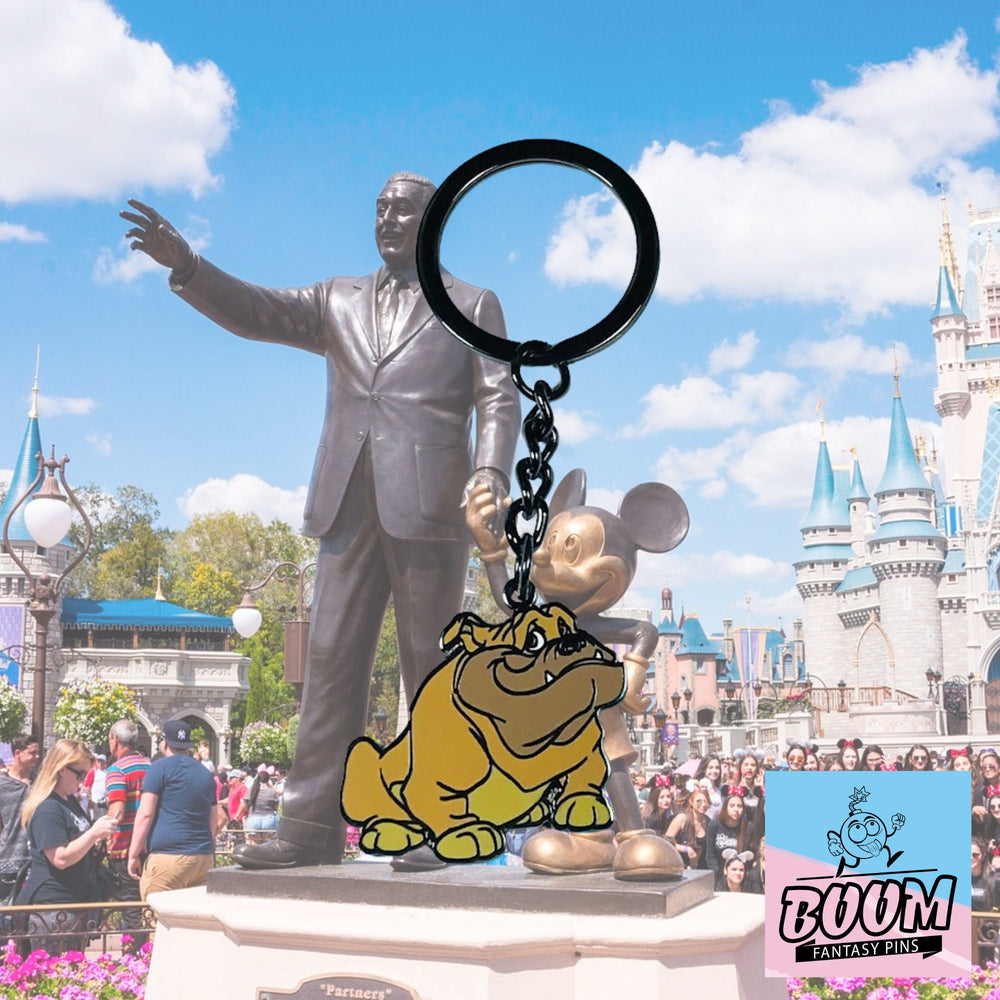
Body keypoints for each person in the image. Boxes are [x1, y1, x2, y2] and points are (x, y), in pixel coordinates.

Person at [122, 174, 521, 870]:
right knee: (331, 660)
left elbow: (498, 395)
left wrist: (489, 472)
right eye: (380, 208)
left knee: (433, 667)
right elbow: (257, 311)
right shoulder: (339, 297)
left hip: (430, 505)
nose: (387, 219)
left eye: (403, 209)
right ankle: (308, 828)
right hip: (345, 500)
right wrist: (189, 267)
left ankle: (443, 822)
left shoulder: (472, 303)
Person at [15, 739, 117, 954]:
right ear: (61, 769)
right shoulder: (48, 808)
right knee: (52, 971)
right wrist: (93, 834)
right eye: (80, 774)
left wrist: (97, 840)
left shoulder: (68, 800)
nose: (83, 780)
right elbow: (59, 858)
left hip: (74, 901)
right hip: (53, 907)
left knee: (69, 970)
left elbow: (76, 842)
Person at [128, 720, 225, 897]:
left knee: (155, 911)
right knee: (193, 914)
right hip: (202, 857)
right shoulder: (205, 773)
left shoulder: (159, 768)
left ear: (164, 742)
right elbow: (213, 819)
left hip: (168, 856)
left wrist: (133, 854)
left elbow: (145, 814)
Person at [105, 719, 151, 946]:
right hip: (149, 847)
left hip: (124, 849)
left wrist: (104, 835)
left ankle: (133, 956)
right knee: (146, 906)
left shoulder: (116, 770)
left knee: (130, 908)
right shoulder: (151, 767)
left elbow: (118, 812)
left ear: (115, 740)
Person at [0, 734, 40, 885]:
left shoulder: (41, 782)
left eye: (37, 753)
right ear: (18, 753)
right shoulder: (3, 786)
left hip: (37, 860)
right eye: (32, 753)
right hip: (8, 861)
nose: (37, 757)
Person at [705, 792, 751, 883]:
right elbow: (710, 855)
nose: (736, 809)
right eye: (732, 806)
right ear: (725, 807)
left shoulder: (749, 827)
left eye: (739, 806)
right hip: (719, 875)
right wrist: (718, 874)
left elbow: (750, 855)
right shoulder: (714, 825)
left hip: (740, 875)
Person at [664, 786, 710, 869]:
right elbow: (666, 842)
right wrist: (686, 849)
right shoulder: (682, 818)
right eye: (698, 801)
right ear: (691, 802)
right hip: (678, 866)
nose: (703, 804)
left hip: (699, 868)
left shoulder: (708, 822)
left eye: (705, 801)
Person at [244, 766, 281, 844]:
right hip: (268, 819)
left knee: (254, 847)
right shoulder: (271, 792)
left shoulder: (251, 790)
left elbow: (245, 805)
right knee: (267, 846)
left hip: (253, 819)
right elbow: (275, 807)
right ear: (268, 780)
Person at [83, 754, 109, 821]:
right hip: (95, 800)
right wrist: (90, 797)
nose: (100, 763)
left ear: (105, 762)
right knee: (96, 819)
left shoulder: (108, 772)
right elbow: (87, 786)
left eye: (102, 761)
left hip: (105, 801)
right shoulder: (93, 772)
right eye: (99, 761)